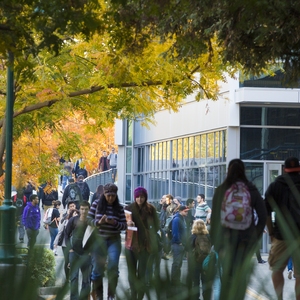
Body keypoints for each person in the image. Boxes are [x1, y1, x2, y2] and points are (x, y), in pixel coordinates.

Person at [210, 158, 267, 300]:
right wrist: (255, 235)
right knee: (241, 277)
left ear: (228, 171)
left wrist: (216, 243)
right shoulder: (251, 189)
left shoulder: (221, 190)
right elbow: (263, 215)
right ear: (244, 171)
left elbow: (215, 219)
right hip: (246, 241)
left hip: (225, 241)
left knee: (227, 277)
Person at [265, 157, 300, 300]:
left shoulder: (275, 186)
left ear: (284, 168)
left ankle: (279, 298)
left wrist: (271, 232)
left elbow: (266, 211)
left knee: (276, 269)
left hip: (281, 235)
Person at [87, 183, 127, 300]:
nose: (110, 198)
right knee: (97, 270)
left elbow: (124, 226)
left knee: (113, 267)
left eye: (113, 196)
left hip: (114, 240)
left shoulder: (119, 208)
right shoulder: (96, 204)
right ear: (104, 194)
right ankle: (99, 296)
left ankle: (111, 295)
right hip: (99, 240)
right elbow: (89, 220)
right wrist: (99, 222)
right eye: (108, 195)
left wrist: (114, 223)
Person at [125, 187, 160, 300]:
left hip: (145, 245)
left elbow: (157, 225)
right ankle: (133, 294)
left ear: (145, 197)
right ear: (135, 197)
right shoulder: (128, 208)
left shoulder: (151, 209)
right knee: (131, 273)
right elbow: (121, 223)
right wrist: (127, 223)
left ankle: (139, 296)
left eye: (142, 197)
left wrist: (149, 232)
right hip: (131, 244)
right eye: (138, 197)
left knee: (142, 272)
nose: (140, 199)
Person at [65, 201, 92, 300]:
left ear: (89, 210)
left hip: (86, 254)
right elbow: (66, 234)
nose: (84, 211)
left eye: (86, 209)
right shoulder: (73, 220)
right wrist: (70, 249)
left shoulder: (91, 222)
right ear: (79, 209)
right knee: (74, 278)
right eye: (82, 209)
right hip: (74, 253)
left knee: (86, 280)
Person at [187, 219, 212, 300]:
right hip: (206, 262)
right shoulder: (208, 236)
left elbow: (187, 248)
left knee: (195, 282)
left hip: (194, 262)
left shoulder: (193, 237)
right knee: (205, 282)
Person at [54, 208, 79, 282]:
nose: (76, 215)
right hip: (65, 244)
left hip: (75, 245)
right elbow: (60, 232)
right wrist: (55, 243)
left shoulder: (80, 223)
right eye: (74, 214)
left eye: (77, 214)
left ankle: (73, 276)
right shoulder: (65, 221)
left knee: (73, 261)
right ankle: (67, 277)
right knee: (67, 260)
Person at [170, 205, 189, 290]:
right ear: (181, 211)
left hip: (180, 244)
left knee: (179, 263)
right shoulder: (177, 219)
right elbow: (175, 232)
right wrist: (179, 242)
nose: (187, 212)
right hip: (177, 244)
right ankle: (174, 281)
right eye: (185, 211)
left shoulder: (181, 219)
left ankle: (176, 280)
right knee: (176, 263)